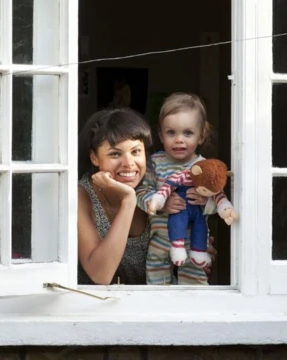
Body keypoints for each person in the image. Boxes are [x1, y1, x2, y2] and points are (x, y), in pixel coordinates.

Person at [136, 93, 218, 285]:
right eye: (171, 132)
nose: (179, 140)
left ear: (201, 135)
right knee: (157, 286)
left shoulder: (205, 168)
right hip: (160, 240)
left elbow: (219, 204)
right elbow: (140, 193)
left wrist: (206, 202)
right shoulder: (154, 164)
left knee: (194, 288)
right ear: (160, 134)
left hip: (194, 243)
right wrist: (160, 205)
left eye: (188, 133)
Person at [77, 108, 153, 285]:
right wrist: (128, 201)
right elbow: (100, 275)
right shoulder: (81, 196)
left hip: (153, 304)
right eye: (115, 154)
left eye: (136, 152)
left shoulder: (156, 190)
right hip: (94, 307)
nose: (128, 163)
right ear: (94, 158)